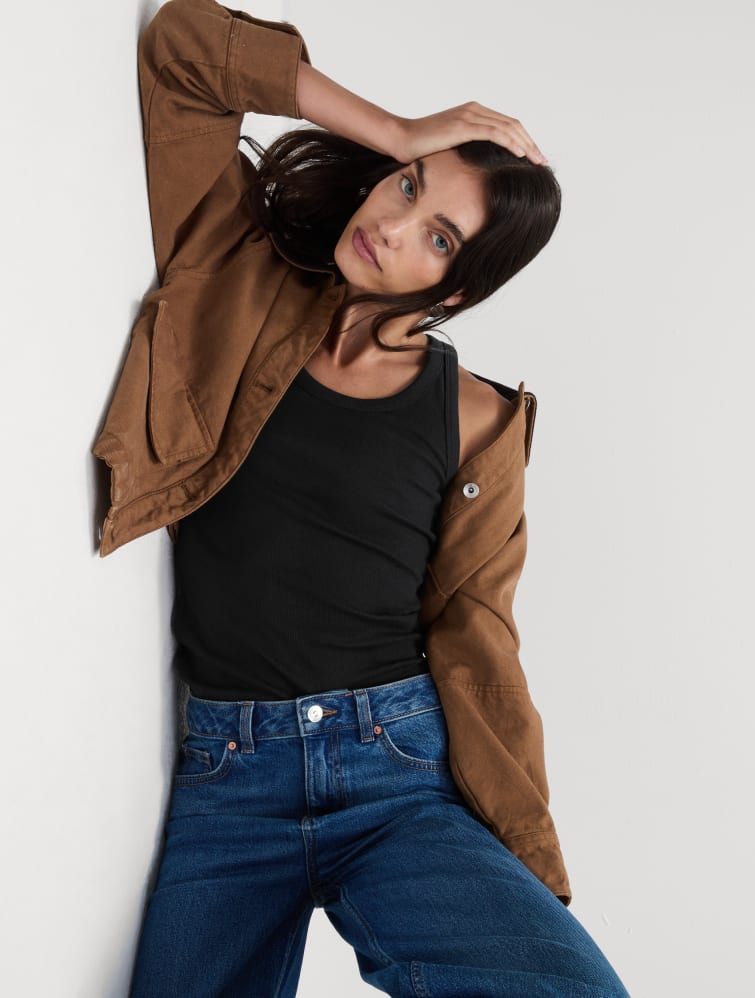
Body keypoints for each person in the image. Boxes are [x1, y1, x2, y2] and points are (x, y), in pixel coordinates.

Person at [93, 1, 630, 994]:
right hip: (227, 778)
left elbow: (478, 631)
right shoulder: (241, 277)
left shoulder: (477, 420)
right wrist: (399, 126)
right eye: (408, 184)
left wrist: (524, 860)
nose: (390, 224)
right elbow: (181, 48)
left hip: (397, 774)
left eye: (438, 237)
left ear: (458, 290)